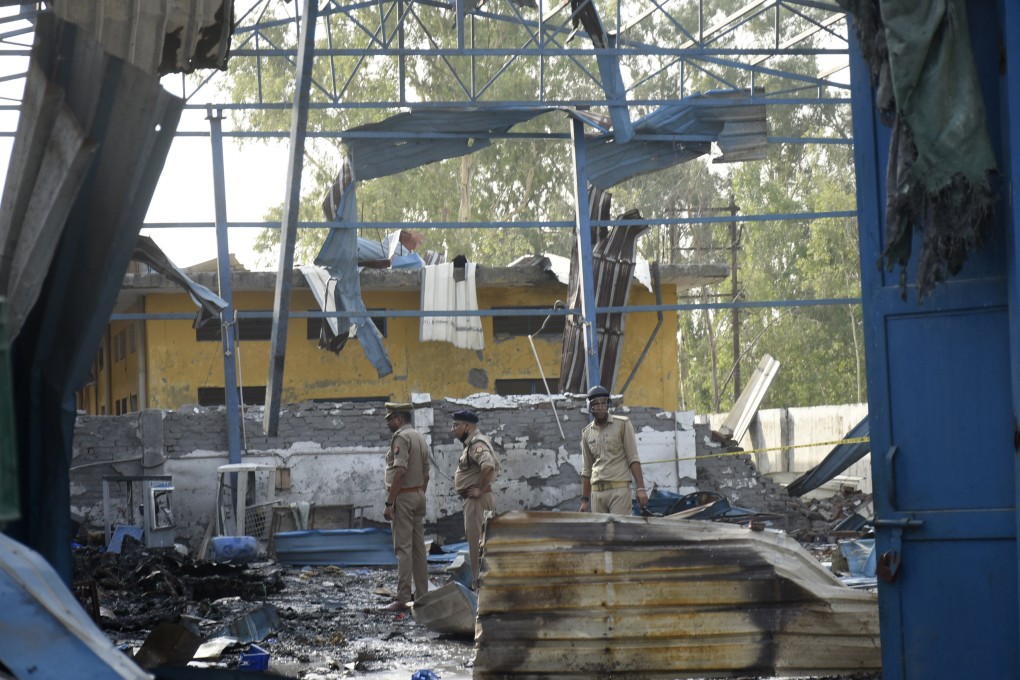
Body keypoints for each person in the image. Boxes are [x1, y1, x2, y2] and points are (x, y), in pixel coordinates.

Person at [381, 402, 430, 611]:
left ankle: (402, 598)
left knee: (403, 548)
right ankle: (422, 595)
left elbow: (400, 471)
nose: (388, 424)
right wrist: (418, 493)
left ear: (399, 419)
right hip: (418, 495)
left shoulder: (401, 437)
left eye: (390, 419)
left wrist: (390, 502)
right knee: (419, 549)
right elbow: (426, 474)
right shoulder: (420, 437)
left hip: (404, 497)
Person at [579, 385, 649, 515]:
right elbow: (587, 469)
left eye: (603, 403)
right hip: (597, 493)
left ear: (608, 404)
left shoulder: (623, 424)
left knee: (619, 532)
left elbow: (633, 458)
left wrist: (640, 488)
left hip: (619, 490)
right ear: (590, 407)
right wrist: (585, 500)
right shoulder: (587, 433)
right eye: (596, 404)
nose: (600, 407)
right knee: (600, 534)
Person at [452, 409, 498, 590]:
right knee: (481, 544)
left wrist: (480, 488)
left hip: (478, 501)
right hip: (476, 500)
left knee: (478, 544)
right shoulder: (471, 443)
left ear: (467, 426)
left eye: (456, 425)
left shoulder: (476, 443)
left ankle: (481, 587)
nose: (453, 429)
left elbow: (488, 466)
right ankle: (483, 585)